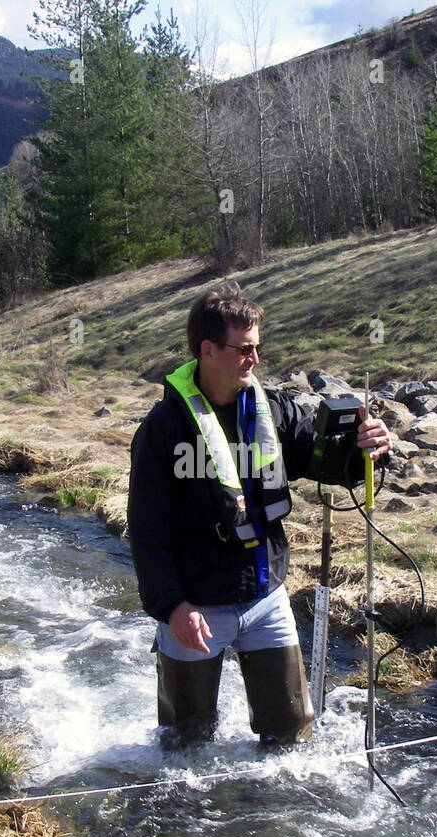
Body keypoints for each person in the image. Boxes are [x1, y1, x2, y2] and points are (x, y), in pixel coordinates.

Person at [127, 282, 391, 750]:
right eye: (244, 348)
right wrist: (172, 607)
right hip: (195, 607)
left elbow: (328, 463)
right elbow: (146, 530)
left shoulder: (274, 410)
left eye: (258, 347)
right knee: (183, 746)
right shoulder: (163, 428)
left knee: (290, 737)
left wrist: (366, 451)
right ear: (207, 350)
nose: (255, 358)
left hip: (266, 598)